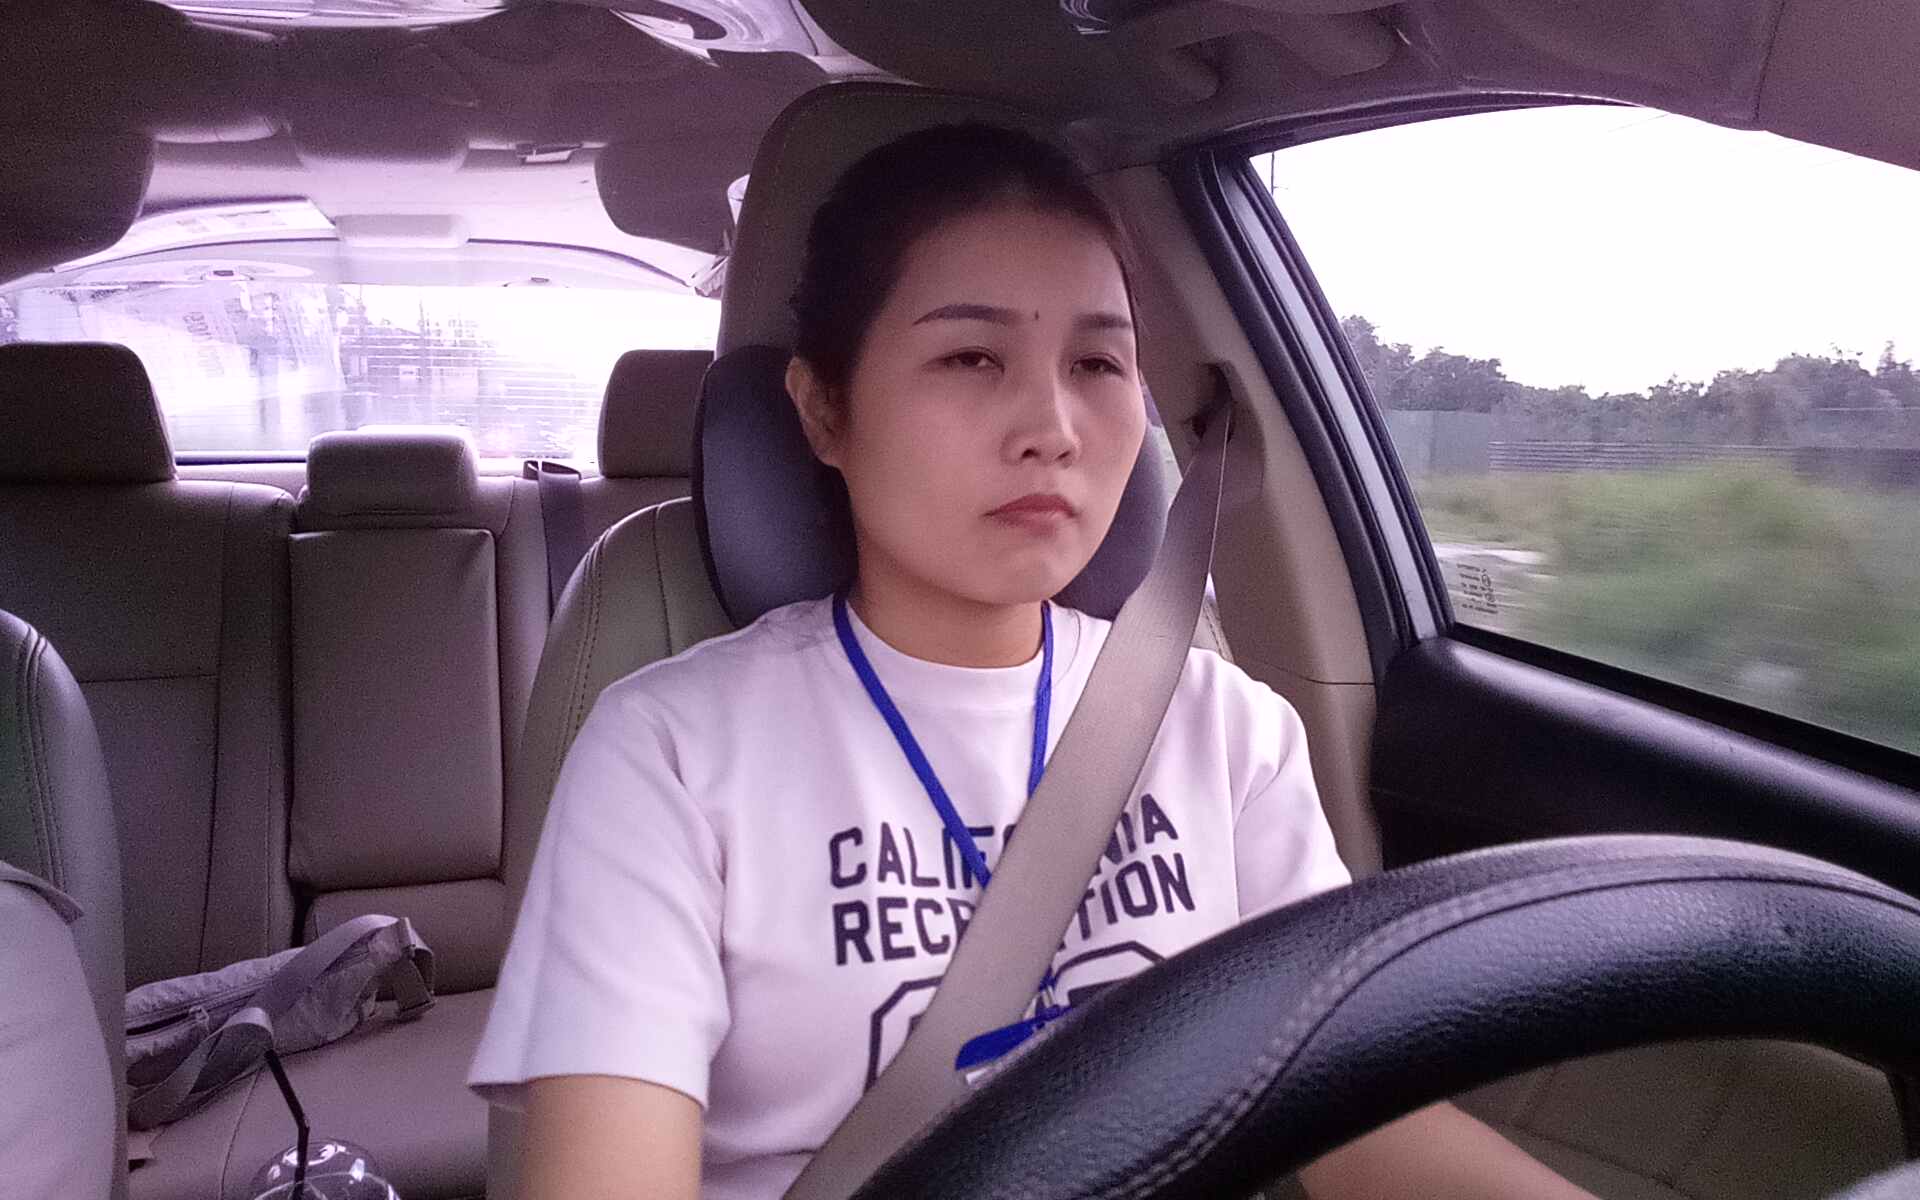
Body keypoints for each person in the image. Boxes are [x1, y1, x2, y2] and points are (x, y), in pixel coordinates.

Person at [468, 122, 1596, 1200]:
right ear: (822, 410)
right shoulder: (670, 752)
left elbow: (1357, 1123)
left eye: (1099, 362)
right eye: (970, 356)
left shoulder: (1225, 728)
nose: (1052, 426)